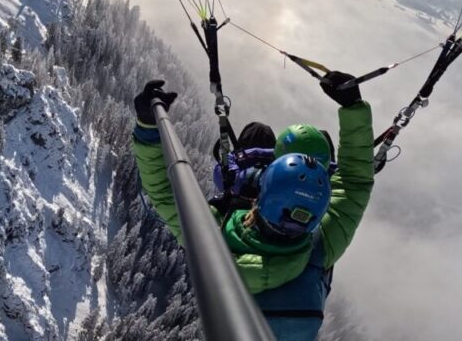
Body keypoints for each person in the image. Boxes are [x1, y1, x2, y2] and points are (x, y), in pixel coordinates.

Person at [132, 72, 374, 341]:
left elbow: (165, 191)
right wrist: (354, 108)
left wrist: (148, 127)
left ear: (260, 192)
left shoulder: (214, 238)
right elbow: (354, 182)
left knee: (257, 133)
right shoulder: (322, 246)